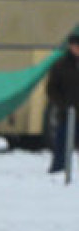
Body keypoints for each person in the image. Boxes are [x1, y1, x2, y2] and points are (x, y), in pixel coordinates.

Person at [46, 34, 79, 174]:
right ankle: (58, 169)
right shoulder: (61, 65)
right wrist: (63, 105)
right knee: (62, 144)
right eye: (75, 46)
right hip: (67, 114)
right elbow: (51, 89)